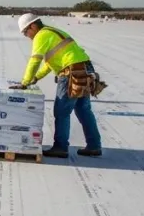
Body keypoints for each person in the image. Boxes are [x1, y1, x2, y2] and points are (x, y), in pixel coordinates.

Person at [11, 13, 103, 159]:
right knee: (83, 110)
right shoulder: (53, 32)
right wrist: (36, 78)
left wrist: (25, 82)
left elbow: (35, 60)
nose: (26, 36)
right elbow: (49, 64)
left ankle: (60, 147)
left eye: (25, 32)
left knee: (62, 111)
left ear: (33, 26)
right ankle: (94, 145)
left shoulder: (41, 35)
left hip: (71, 73)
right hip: (85, 69)